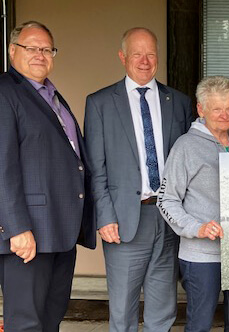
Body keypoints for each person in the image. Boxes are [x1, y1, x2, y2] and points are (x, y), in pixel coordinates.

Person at [84, 27, 193, 331]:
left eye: (151, 54)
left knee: (163, 308)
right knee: (123, 310)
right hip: (123, 220)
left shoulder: (179, 103)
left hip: (168, 217)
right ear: (122, 57)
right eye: (137, 54)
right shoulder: (100, 103)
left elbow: (194, 158)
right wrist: (103, 216)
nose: (145, 61)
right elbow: (96, 167)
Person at [0, 21, 95, 330]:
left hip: (59, 232)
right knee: (26, 323)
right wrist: (17, 228)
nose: (40, 54)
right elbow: (3, 164)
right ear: (12, 50)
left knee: (50, 319)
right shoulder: (5, 92)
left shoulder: (51, 94)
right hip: (28, 235)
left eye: (46, 49)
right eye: (31, 47)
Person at [158, 76, 229, 332]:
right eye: (216, 108)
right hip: (201, 255)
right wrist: (197, 227)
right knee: (200, 325)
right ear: (201, 109)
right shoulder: (186, 146)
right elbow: (166, 199)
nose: (224, 114)